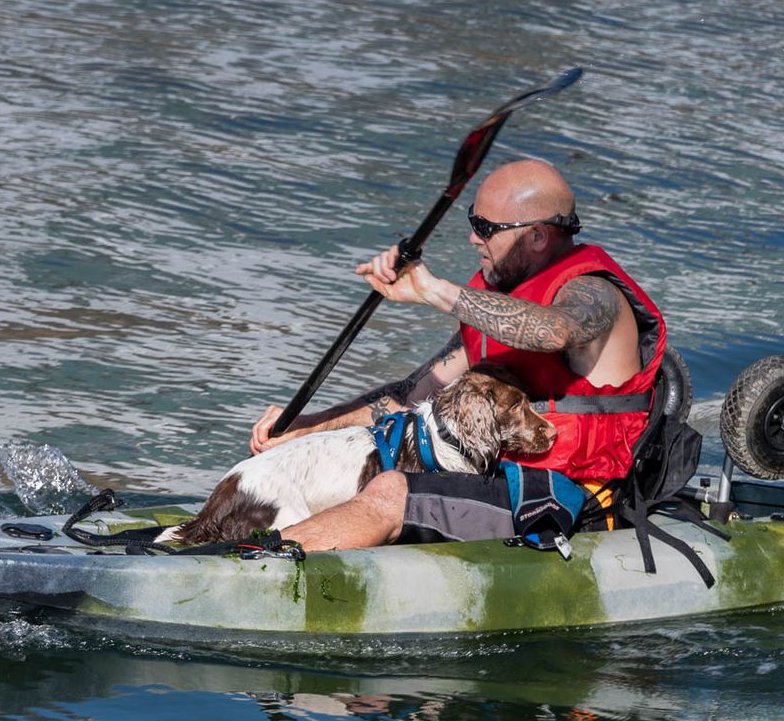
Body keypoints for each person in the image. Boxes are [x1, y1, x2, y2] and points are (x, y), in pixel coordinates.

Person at [249, 159, 666, 551]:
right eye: (473, 221)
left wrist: (433, 291)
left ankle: (259, 564)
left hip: (570, 496)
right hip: (494, 476)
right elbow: (410, 395)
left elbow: (555, 330)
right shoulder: (497, 299)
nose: (473, 238)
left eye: (486, 227)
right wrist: (307, 427)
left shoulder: (595, 294)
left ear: (537, 236)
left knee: (392, 492)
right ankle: (243, 539)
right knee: (335, 460)